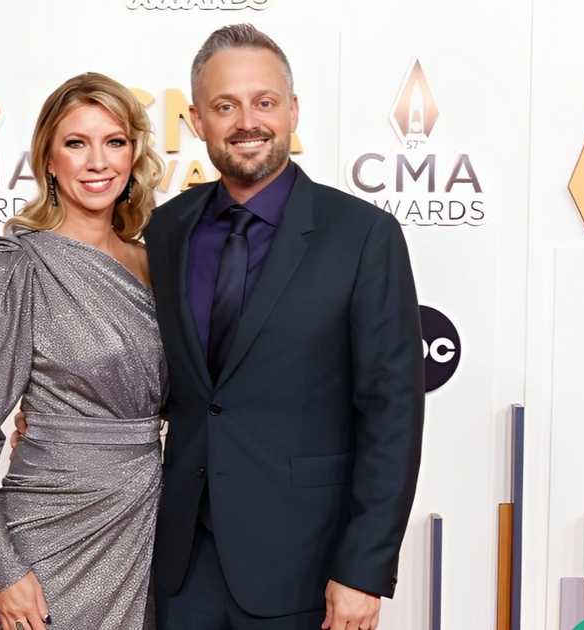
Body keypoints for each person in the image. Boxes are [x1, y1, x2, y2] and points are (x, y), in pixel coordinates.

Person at [142, 25, 425, 630]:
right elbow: (166, 377)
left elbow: (392, 412)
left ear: (293, 111)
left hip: (306, 568)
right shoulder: (167, 230)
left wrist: (363, 568)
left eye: (264, 102)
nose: (248, 121)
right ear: (196, 120)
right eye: (225, 105)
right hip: (181, 566)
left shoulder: (362, 236)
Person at [0, 72, 166, 630]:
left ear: (134, 153)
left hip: (149, 520)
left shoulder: (161, 261)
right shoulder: (16, 264)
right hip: (48, 533)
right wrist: (3, 570)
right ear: (48, 158)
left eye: (114, 141)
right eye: (77, 143)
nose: (98, 162)